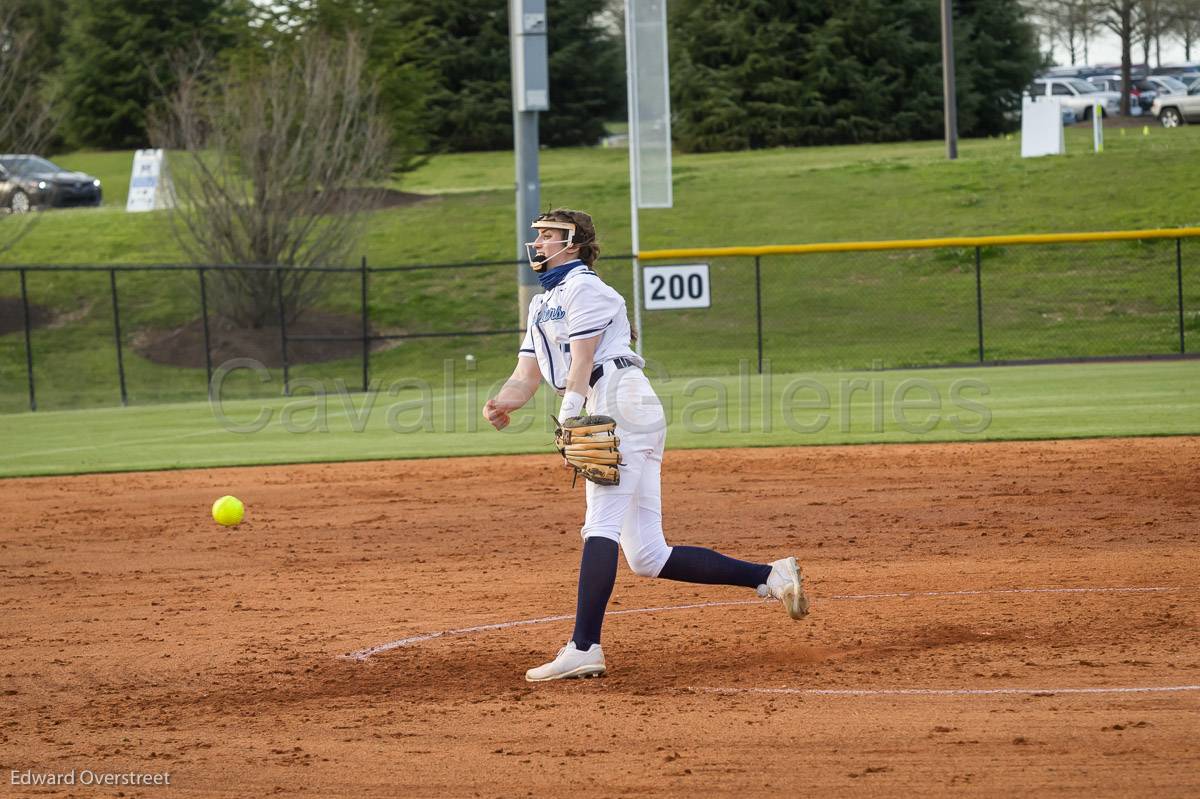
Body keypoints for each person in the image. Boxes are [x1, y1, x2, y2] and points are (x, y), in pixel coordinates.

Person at [483, 209, 808, 682]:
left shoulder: (587, 288)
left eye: (548, 235)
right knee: (648, 556)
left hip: (620, 399)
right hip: (612, 402)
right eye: (538, 236)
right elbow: (526, 375)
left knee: (601, 525)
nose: (538, 243)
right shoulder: (541, 304)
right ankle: (771, 575)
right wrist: (503, 402)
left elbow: (583, 360)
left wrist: (572, 410)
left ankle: (584, 645)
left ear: (572, 243)